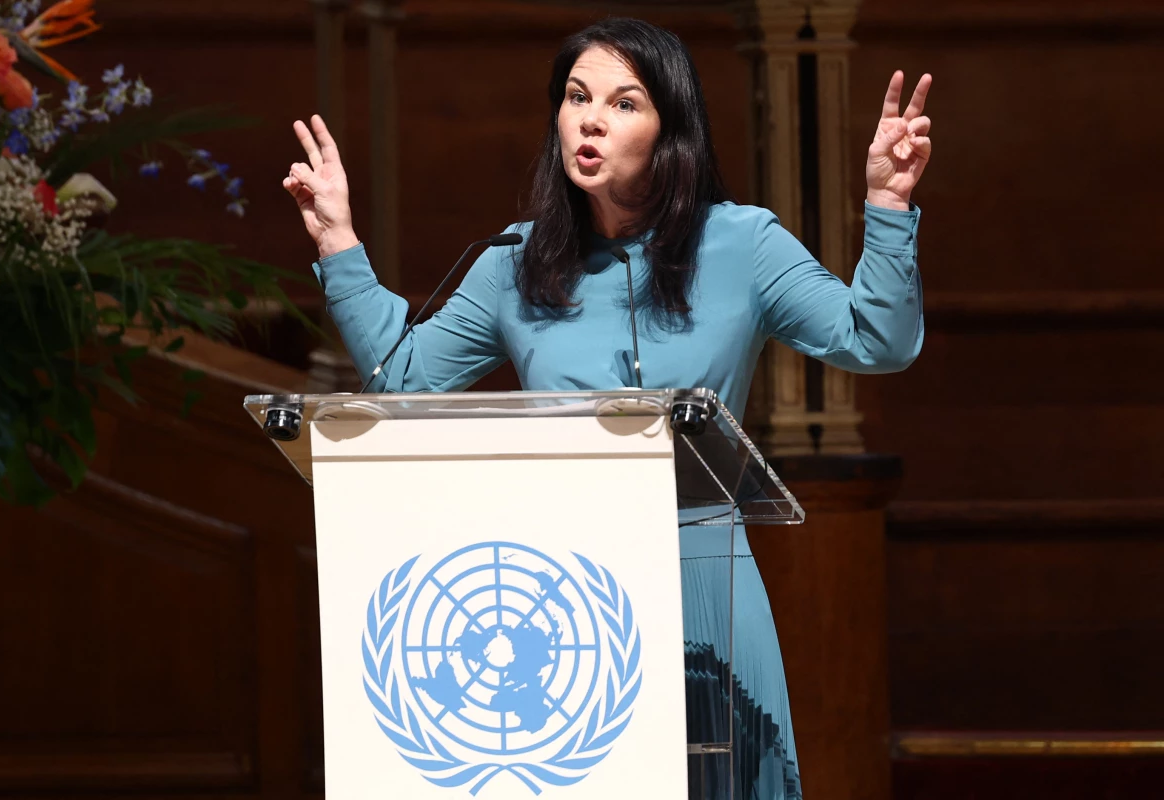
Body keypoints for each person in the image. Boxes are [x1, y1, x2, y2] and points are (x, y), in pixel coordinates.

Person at [283, 17, 931, 800]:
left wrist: (888, 206)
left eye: (624, 103)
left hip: (704, 584)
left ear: (670, 131)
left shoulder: (744, 244)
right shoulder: (513, 261)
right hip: (561, 599)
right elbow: (402, 382)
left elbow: (875, 340)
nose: (589, 119)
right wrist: (339, 244)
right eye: (576, 96)